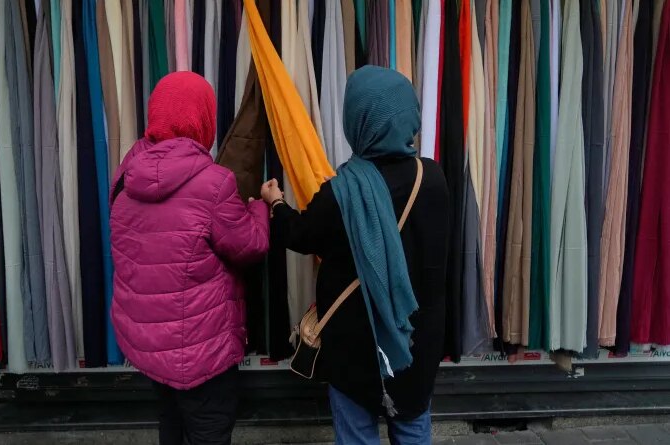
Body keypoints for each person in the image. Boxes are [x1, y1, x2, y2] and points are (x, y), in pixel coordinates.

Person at [261, 66, 449, 445]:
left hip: (354, 343)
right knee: (412, 425)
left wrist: (276, 202)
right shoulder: (433, 179)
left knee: (356, 433)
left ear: (356, 121)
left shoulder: (341, 193)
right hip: (415, 338)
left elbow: (298, 234)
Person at [109, 71, 270, 445]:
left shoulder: (126, 174)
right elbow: (250, 246)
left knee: (171, 425)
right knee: (209, 431)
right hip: (203, 352)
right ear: (204, 119)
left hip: (150, 344)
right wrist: (259, 207)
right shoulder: (214, 184)